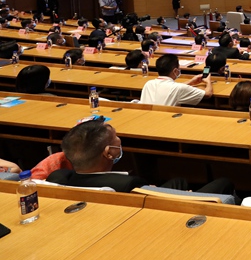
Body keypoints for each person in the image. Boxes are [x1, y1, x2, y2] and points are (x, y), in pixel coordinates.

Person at [47, 118, 233, 194]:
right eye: (117, 139)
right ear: (109, 153)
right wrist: (185, 197)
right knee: (223, 183)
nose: (120, 141)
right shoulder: (129, 185)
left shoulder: (57, 178)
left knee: (179, 182)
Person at [139, 53, 212, 106]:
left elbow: (169, 88)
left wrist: (191, 82)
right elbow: (207, 94)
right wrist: (208, 81)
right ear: (175, 71)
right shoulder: (178, 88)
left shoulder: (148, 83)